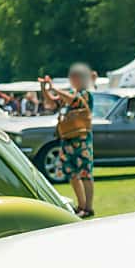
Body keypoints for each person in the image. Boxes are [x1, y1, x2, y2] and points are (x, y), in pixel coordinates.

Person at [40, 63, 97, 217]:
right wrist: (44, 89)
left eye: (75, 76)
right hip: (68, 139)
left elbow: (74, 101)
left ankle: (88, 207)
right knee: (71, 173)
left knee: (85, 173)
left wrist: (53, 88)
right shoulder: (70, 93)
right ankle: (81, 205)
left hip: (82, 140)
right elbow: (52, 103)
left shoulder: (85, 94)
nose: (72, 79)